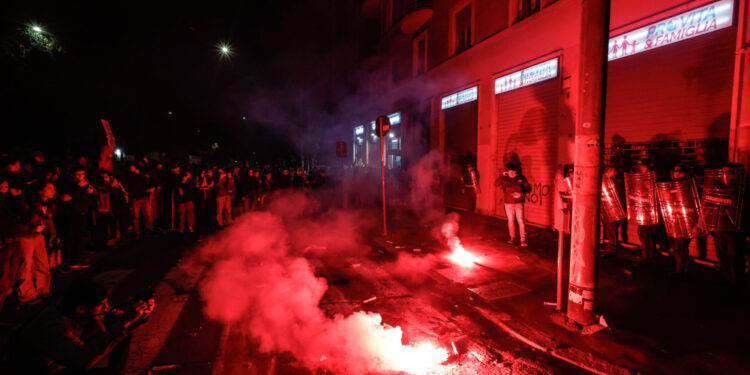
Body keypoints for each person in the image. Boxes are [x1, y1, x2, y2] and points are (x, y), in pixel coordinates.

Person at [11, 278, 154, 374]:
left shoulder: (74, 308)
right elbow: (81, 361)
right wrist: (124, 322)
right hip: (44, 369)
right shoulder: (56, 325)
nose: (106, 307)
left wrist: (141, 313)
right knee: (119, 328)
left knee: (122, 329)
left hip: (64, 359)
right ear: (80, 309)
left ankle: (115, 371)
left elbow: (114, 316)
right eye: (100, 304)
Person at [16, 181, 56, 304]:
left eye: (53, 188)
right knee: (26, 264)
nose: (53, 191)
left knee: (42, 262)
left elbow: (48, 220)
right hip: (25, 235)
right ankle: (26, 295)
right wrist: (32, 228)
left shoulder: (48, 204)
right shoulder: (28, 203)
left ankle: (43, 290)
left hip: (38, 235)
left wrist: (53, 233)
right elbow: (17, 222)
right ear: (40, 191)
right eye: (49, 188)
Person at [495, 163, 531, 247]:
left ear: (515, 171)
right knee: (510, 221)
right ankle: (512, 238)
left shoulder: (521, 178)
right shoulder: (505, 179)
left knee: (521, 221)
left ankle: (523, 240)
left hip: (519, 203)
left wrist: (521, 193)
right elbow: (496, 184)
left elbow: (528, 188)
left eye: (512, 171)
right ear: (507, 172)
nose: (511, 173)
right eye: (509, 171)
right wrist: (501, 175)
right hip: (508, 203)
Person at [601, 165, 626, 255]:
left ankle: (612, 248)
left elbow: (617, 194)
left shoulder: (616, 182)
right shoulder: (610, 181)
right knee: (610, 228)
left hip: (614, 210)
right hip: (609, 208)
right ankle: (613, 245)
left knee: (612, 228)